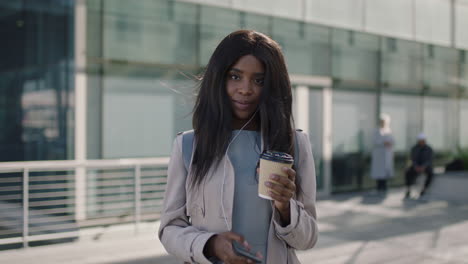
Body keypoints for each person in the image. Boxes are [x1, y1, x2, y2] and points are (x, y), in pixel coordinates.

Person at [158, 30, 318, 264]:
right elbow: (169, 229)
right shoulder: (188, 145)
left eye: (259, 80)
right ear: (218, 77)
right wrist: (211, 244)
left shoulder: (295, 144)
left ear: (272, 86)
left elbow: (308, 239)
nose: (245, 89)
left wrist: (285, 208)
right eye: (235, 76)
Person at [369, 113, 394, 194]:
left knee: (385, 171)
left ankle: (384, 187)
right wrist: (383, 143)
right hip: (378, 154)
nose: (383, 123)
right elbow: (374, 141)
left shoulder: (389, 131)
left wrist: (389, 143)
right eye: (382, 121)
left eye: (384, 122)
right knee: (378, 171)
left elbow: (392, 141)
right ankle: (379, 187)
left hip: (386, 154)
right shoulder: (376, 131)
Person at [404, 133, 434, 199]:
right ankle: (408, 189)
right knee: (408, 172)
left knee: (430, 173)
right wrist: (415, 166)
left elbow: (429, 160)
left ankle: (424, 189)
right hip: (416, 166)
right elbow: (412, 159)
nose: (421, 142)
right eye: (420, 141)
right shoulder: (414, 148)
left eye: (423, 141)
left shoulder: (429, 149)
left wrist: (423, 166)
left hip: (425, 167)